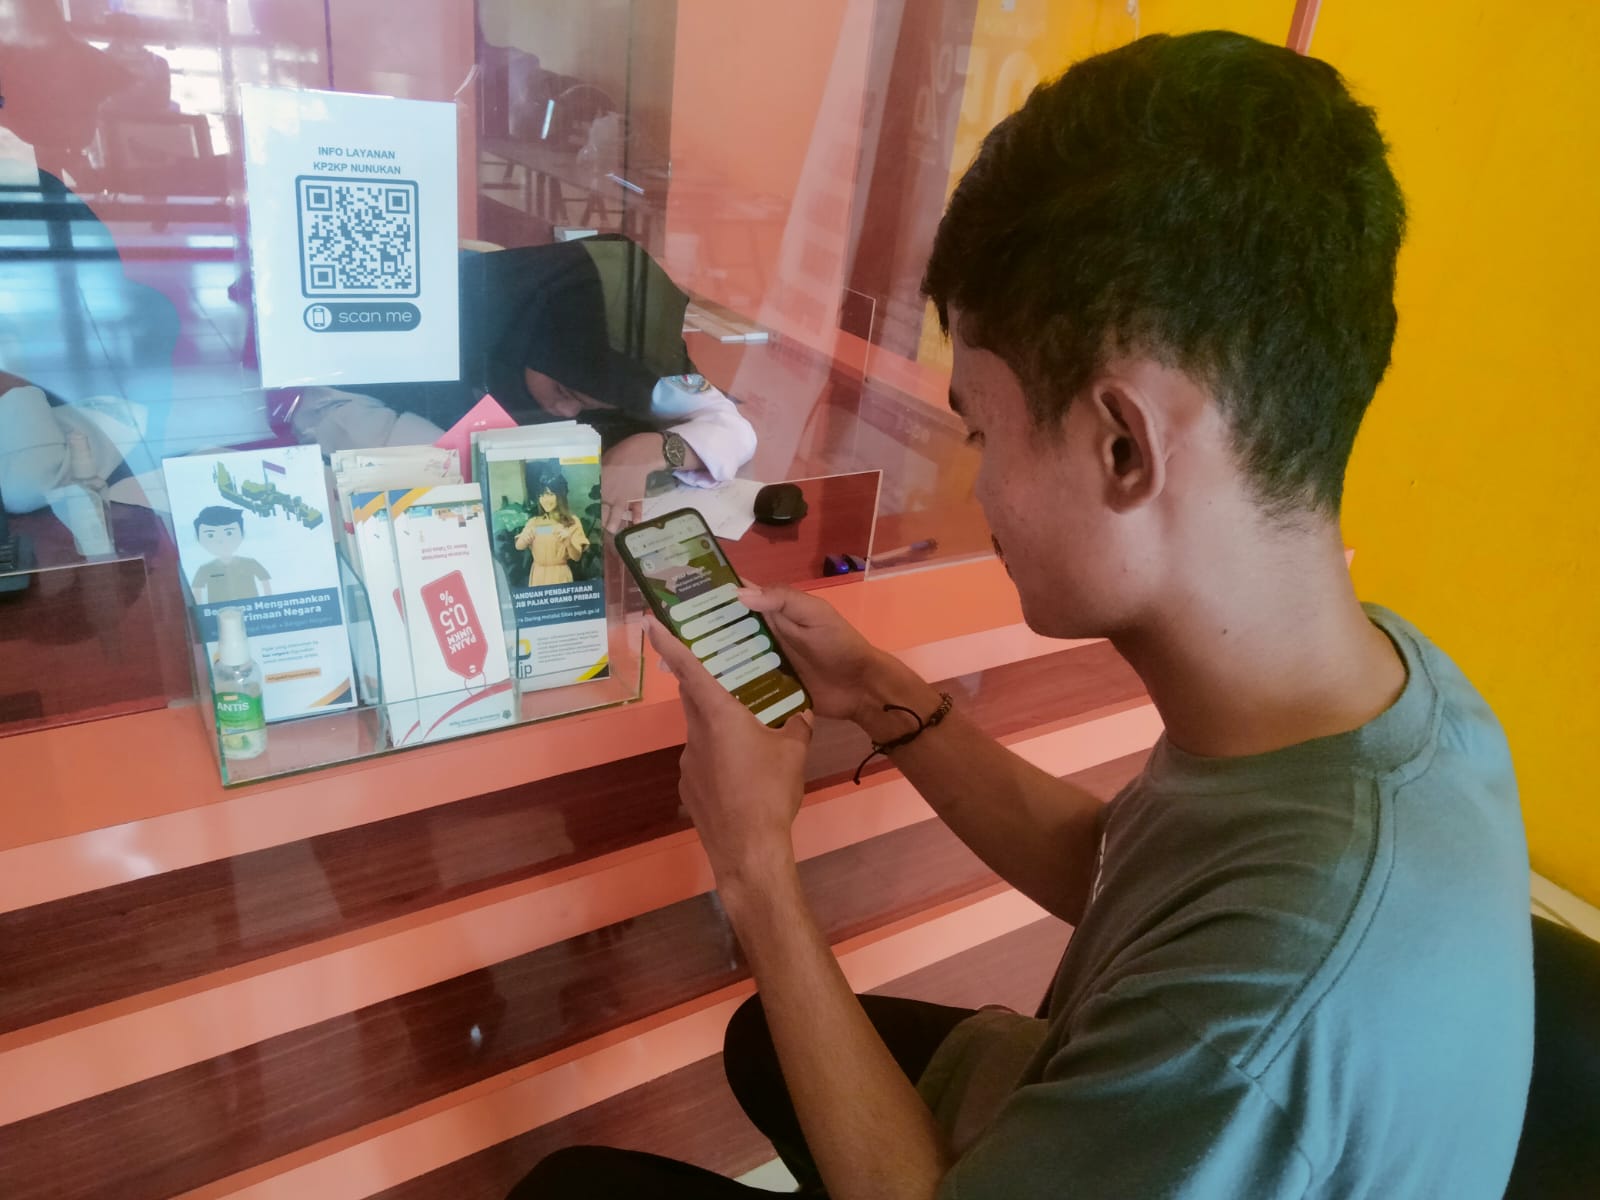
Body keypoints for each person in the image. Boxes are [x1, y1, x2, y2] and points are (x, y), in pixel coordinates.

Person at [510, 31, 1533, 1200]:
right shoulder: (1390, 701)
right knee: (768, 1044)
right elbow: (1118, 872)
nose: (978, 482)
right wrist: (886, 698)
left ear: (1122, 446)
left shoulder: (1247, 1028)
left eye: (980, 430)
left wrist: (753, 868)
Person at [281, 235, 757, 525]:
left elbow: (733, 428)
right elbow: (320, 406)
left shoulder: (636, 358)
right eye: (565, 391)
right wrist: (473, 462)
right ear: (529, 337)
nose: (568, 411)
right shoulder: (434, 312)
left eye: (594, 405)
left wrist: (652, 450)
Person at [513, 477, 588, 587]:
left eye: (550, 494)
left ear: (560, 496)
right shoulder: (534, 522)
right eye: (541, 495)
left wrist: (568, 542)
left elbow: (577, 557)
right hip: (538, 575)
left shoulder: (572, 521)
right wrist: (525, 539)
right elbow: (518, 546)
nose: (545, 500)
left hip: (560, 575)